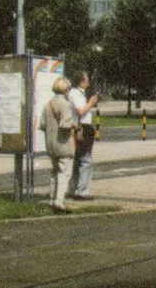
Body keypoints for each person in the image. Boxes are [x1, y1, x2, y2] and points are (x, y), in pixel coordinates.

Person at [38, 77, 76, 213]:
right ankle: (59, 202)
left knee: (54, 171)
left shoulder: (48, 104)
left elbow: (42, 125)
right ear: (66, 90)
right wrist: (74, 125)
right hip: (63, 143)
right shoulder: (65, 104)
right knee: (64, 172)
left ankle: (51, 199)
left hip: (50, 143)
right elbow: (65, 124)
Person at [68, 71, 98, 200]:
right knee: (85, 160)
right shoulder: (76, 93)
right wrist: (91, 103)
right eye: (86, 79)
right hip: (82, 128)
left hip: (80, 127)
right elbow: (81, 111)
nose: (88, 81)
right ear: (81, 81)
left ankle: (74, 188)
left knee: (78, 159)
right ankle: (82, 191)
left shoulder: (77, 93)